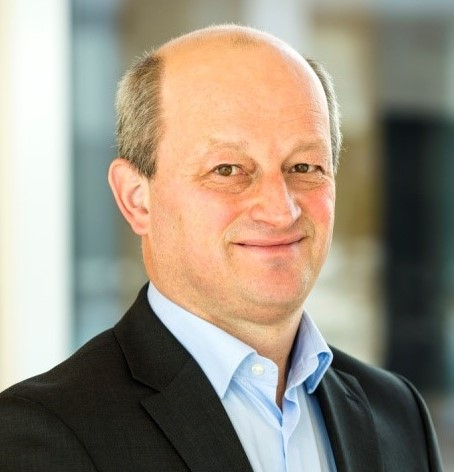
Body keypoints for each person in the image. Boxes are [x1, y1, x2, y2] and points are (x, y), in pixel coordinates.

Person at [0, 24, 443, 472]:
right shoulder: (43, 434)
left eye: (304, 166)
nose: (281, 210)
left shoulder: (397, 415)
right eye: (228, 170)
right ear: (137, 199)